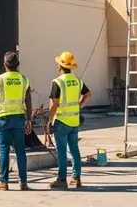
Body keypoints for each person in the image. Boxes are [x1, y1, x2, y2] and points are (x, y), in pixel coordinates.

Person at [0, 51, 33, 191]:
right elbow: (28, 101)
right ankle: (23, 182)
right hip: (19, 119)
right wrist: (29, 119)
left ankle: (3, 181)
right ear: (17, 65)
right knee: (20, 151)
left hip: (2, 119)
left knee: (4, 151)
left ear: (4, 64)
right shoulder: (24, 80)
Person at [48, 51, 92, 189]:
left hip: (61, 121)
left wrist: (49, 120)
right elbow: (88, 94)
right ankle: (76, 177)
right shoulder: (78, 81)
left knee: (61, 151)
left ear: (60, 66)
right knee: (74, 149)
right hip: (74, 121)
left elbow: (54, 103)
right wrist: (79, 105)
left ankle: (62, 178)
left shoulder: (57, 82)